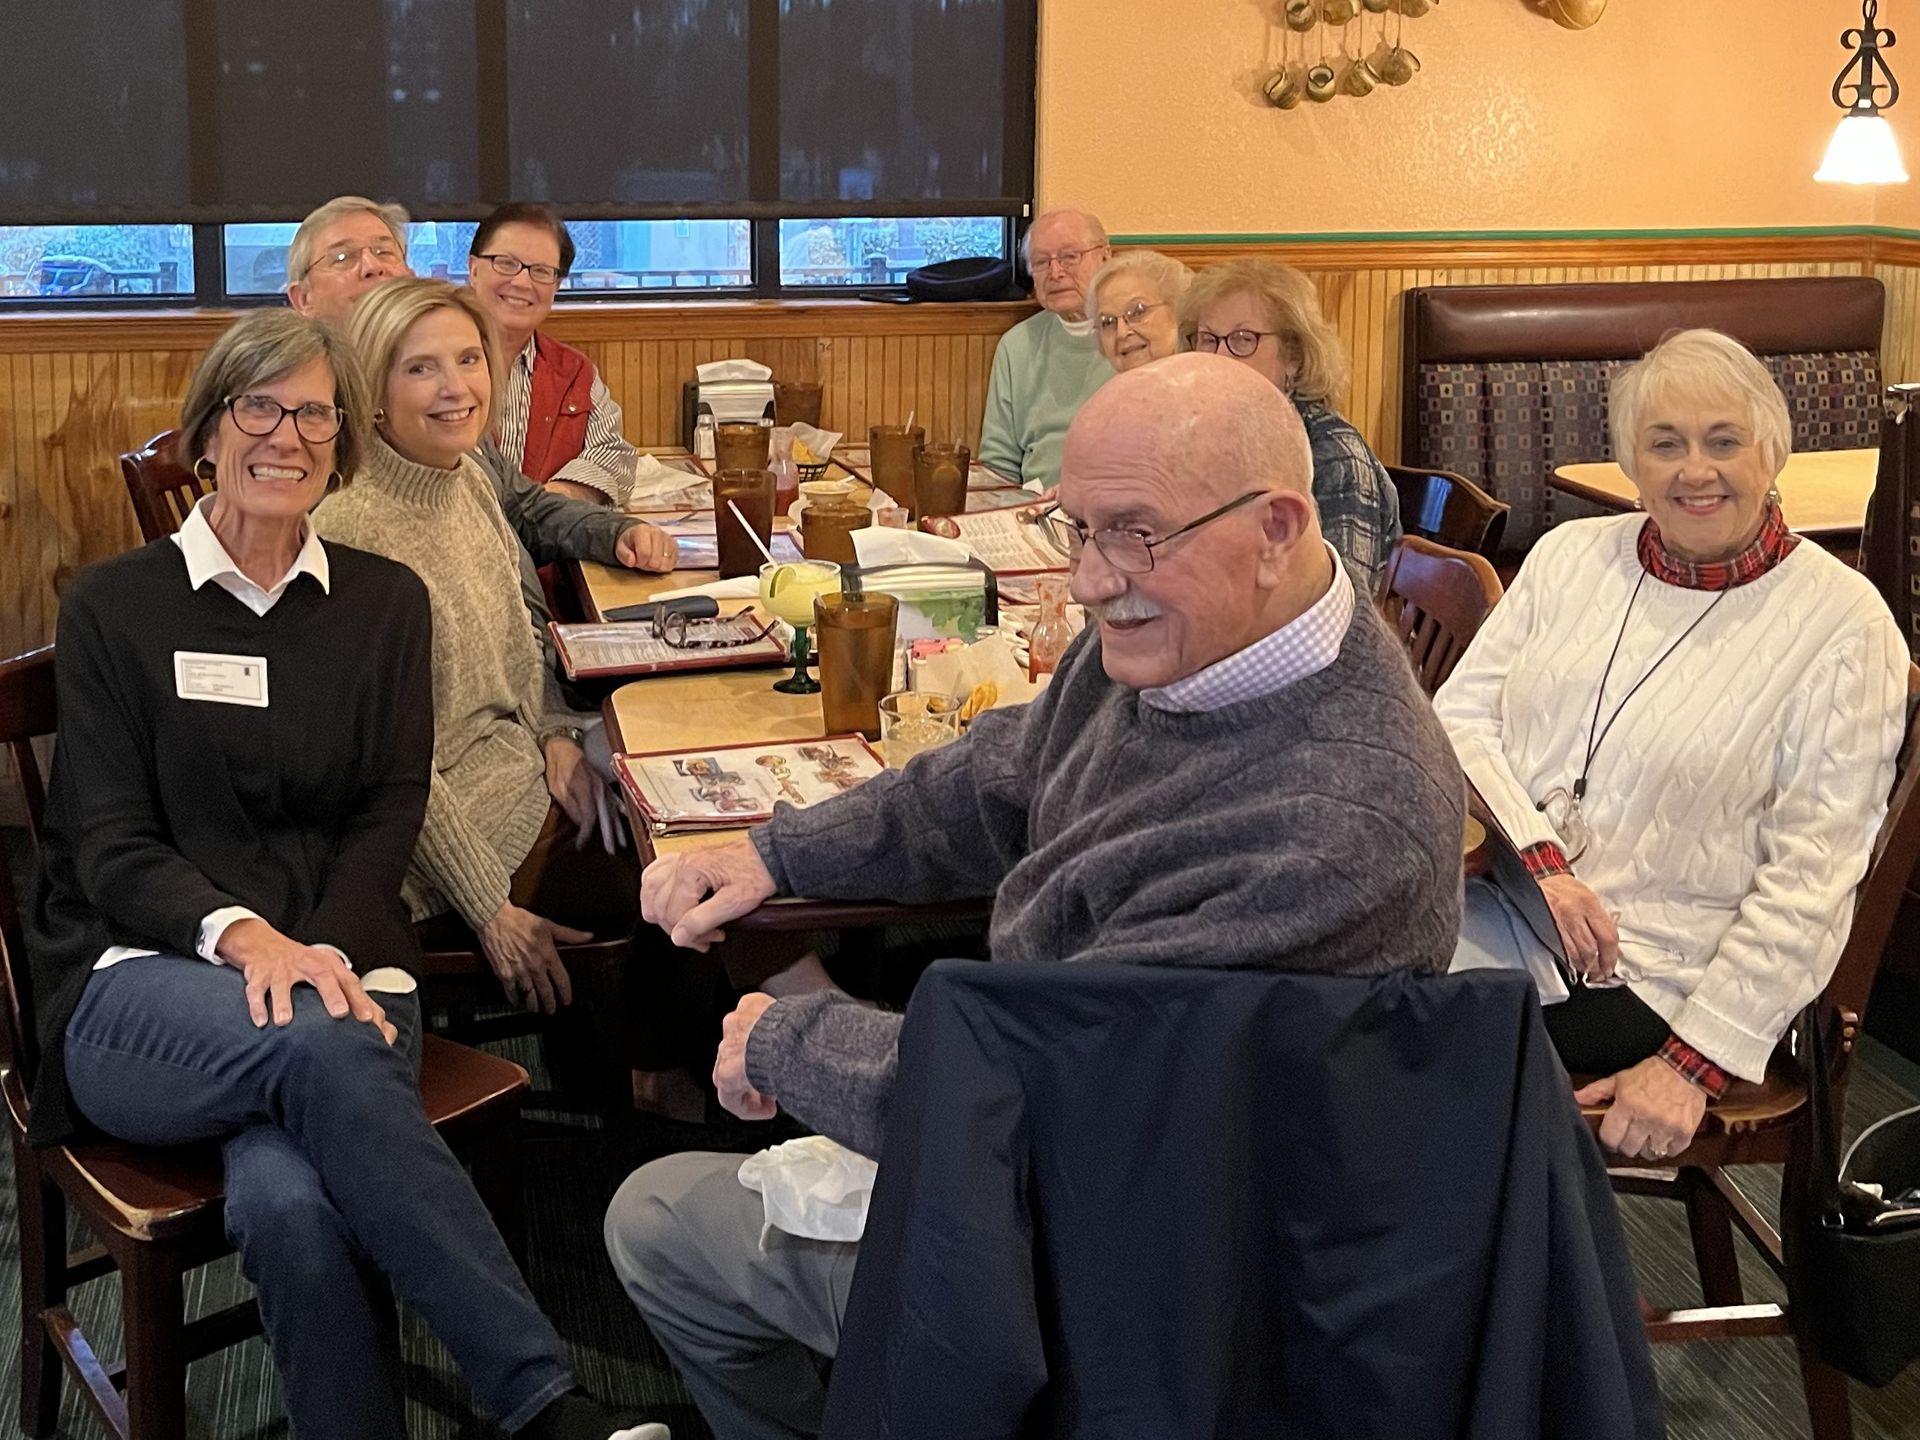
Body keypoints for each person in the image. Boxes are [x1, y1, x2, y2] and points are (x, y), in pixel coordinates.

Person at [603, 354, 1467, 1440]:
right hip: (1087, 1131)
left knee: (655, 1225)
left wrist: (792, 1042)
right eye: (1081, 529)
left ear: (1280, 528)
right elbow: (1002, 772)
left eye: (1135, 532)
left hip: (1149, 1275)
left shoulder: (1335, 825)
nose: (1093, 580)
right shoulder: (1195, 638)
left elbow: (1054, 1103)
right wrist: (779, 855)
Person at [26, 309, 664, 1440]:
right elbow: (110, 847)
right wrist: (249, 938)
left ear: (340, 436)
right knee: (319, 1043)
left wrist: (322, 944)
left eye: (314, 410)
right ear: (208, 433)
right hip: (145, 984)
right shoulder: (117, 609)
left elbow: (386, 812)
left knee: (288, 1197)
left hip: (349, 965)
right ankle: (542, 1400)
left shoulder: (379, 603)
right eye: (258, 408)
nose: (287, 434)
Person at [1435, 328, 1907, 1162]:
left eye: (1724, 442)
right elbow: (1459, 721)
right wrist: (1543, 861)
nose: (1695, 470)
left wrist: (1692, 1064)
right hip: (1512, 904)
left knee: (1387, 1054)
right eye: (1666, 444)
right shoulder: (1569, 557)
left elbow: (1813, 879)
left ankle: (1507, 1282)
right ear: (1630, 461)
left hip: (1665, 980)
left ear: (1774, 451)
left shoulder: (1843, 624)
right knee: (1315, 990)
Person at [314, 278, 639, 1014]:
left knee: (672, 813)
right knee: (684, 869)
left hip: (516, 774)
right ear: (370, 390)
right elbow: (383, 769)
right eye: (420, 367)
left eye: (469, 359)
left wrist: (555, 734)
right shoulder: (351, 534)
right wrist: (489, 907)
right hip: (437, 852)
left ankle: (669, 1066)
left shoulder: (462, 480)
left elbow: (521, 633)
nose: (456, 387)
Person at [284, 195, 675, 632]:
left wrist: (616, 532)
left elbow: (525, 505)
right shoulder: (300, 430)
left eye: (384, 251)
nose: (453, 388)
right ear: (302, 298)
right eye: (343, 257)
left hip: (538, 643)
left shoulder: (462, 427)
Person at [1177, 257, 1401, 588]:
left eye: (1243, 339)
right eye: (1208, 339)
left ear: (1293, 357)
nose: (1219, 358)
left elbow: (1343, 600)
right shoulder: (1212, 436)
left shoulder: (1332, 454)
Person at [468, 201, 640, 507]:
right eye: (506, 263)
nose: (521, 282)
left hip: (546, 545)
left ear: (557, 285)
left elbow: (615, 455)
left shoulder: (574, 372)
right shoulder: (431, 361)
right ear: (473, 269)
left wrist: (561, 496)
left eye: (541, 271)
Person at [977, 207, 1114, 491]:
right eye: (1041, 262)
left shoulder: (1139, 339)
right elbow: (997, 464)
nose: (1055, 272)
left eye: (1069, 257)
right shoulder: (1017, 345)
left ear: (1105, 257)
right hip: (1033, 514)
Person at [1085, 247, 1190, 375]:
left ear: (1178, 310)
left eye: (1138, 312)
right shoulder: (1109, 393)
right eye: (1107, 322)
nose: (1121, 333)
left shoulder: (1209, 384)